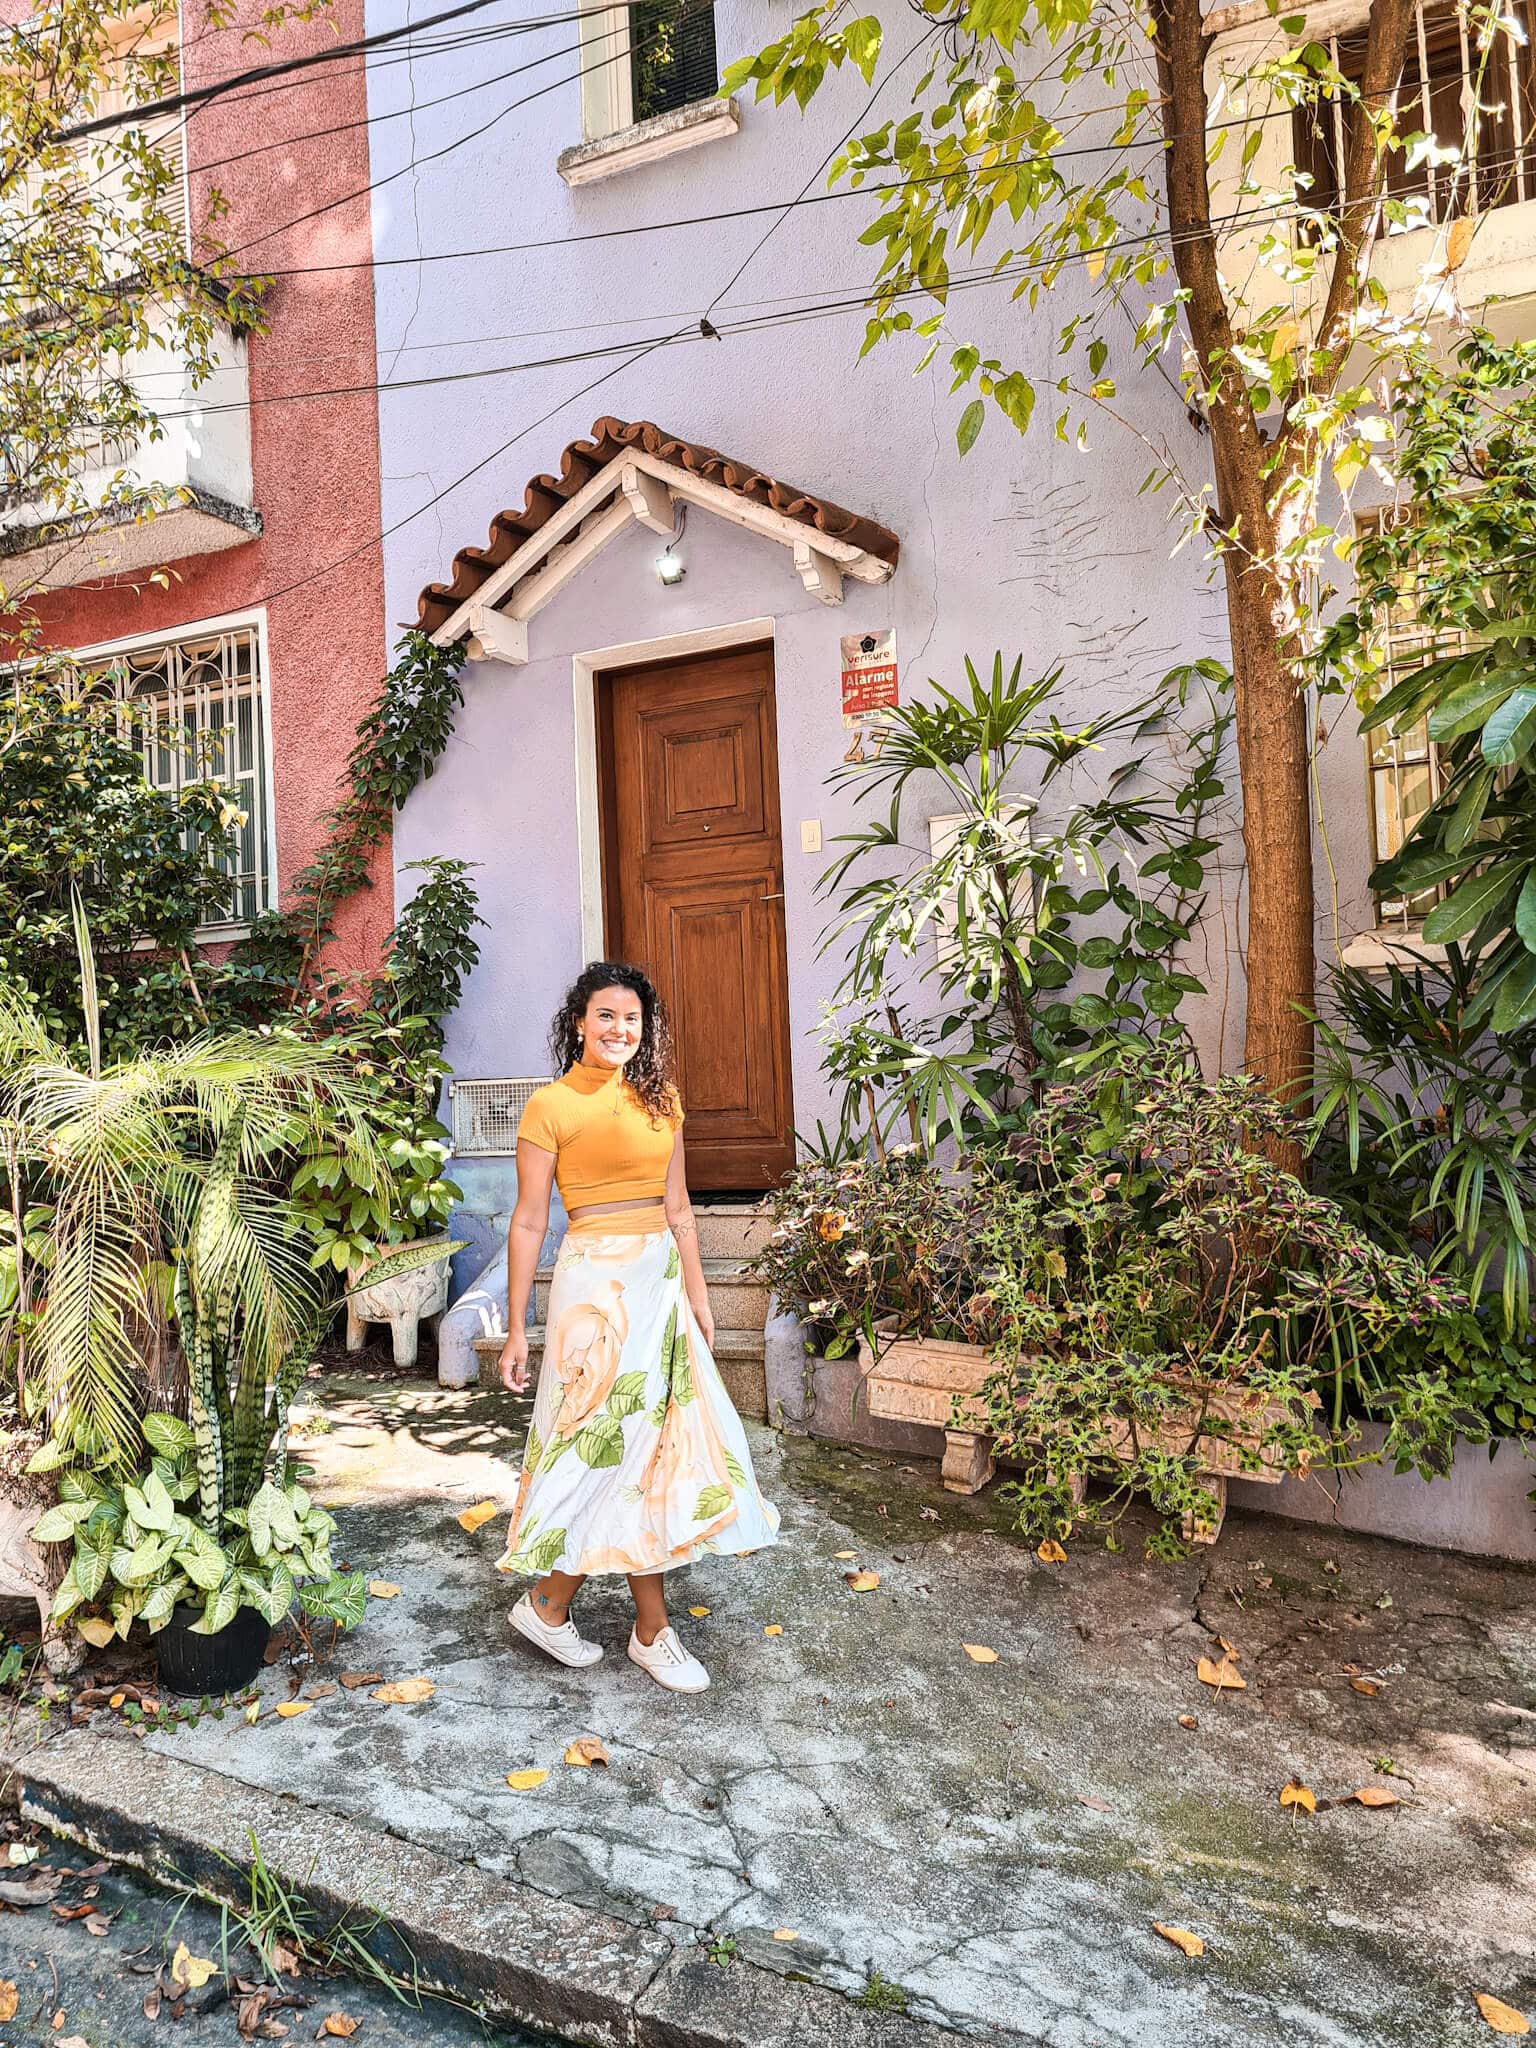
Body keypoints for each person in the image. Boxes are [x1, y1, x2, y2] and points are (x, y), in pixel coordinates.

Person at [494, 962, 780, 1693]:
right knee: (607, 1443)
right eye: (606, 1016)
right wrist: (521, 1324)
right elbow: (530, 1221)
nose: (620, 1030)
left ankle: (564, 1608)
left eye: (633, 1019)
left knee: (654, 1446)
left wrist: (700, 1296)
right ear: (579, 1023)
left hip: (658, 1286)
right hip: (594, 1287)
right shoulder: (550, 1106)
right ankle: (622, 1623)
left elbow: (679, 1209)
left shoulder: (663, 1101)